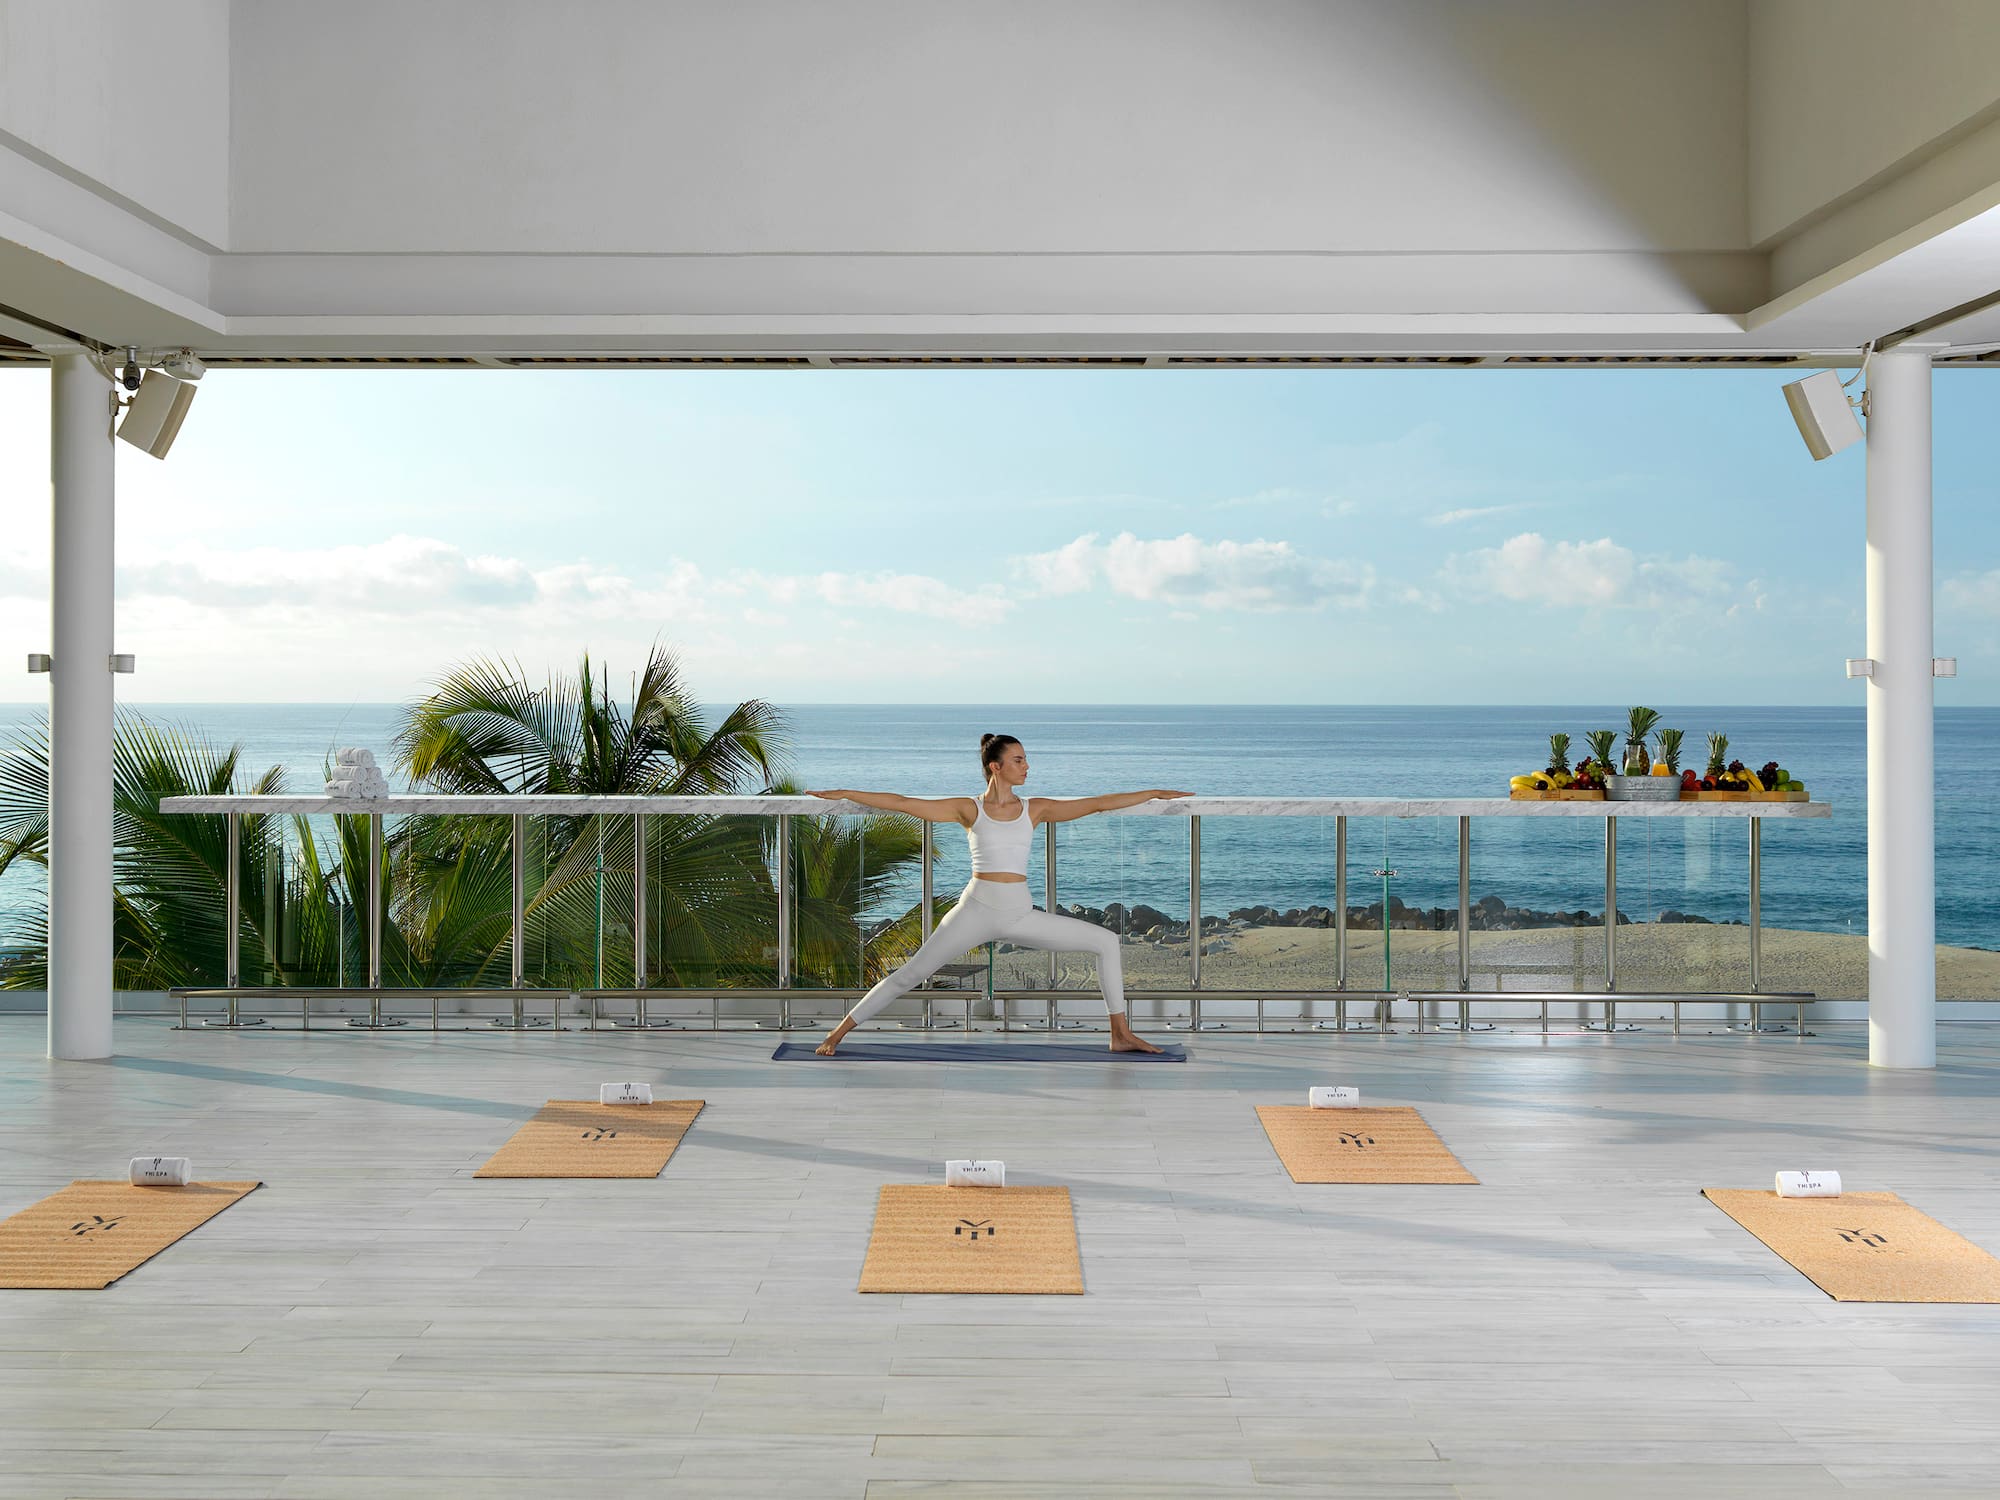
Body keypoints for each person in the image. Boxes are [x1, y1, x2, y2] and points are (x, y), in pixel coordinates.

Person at [808, 733, 1190, 1055]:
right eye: (1019, 760)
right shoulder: (968, 808)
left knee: (1106, 940)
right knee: (912, 973)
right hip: (975, 909)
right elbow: (905, 803)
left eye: (1026, 760)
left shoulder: (1035, 808)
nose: (1027, 767)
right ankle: (836, 1034)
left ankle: (1119, 1034)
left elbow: (1097, 803)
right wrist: (844, 793)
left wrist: (1154, 792)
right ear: (996, 766)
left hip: (1020, 913)